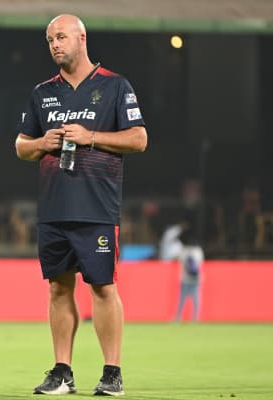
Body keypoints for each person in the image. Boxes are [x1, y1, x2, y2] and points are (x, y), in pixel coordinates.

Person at [14, 14, 148, 396]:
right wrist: (43, 143)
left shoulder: (115, 86)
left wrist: (90, 136)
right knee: (58, 290)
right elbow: (21, 145)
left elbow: (139, 139)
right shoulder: (42, 93)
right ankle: (62, 372)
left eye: (60, 37)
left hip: (97, 207)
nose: (54, 44)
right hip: (53, 208)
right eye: (49, 40)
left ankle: (112, 373)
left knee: (103, 288)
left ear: (81, 37)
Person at [175, 226, 204, 322]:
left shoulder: (183, 251)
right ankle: (195, 318)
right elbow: (200, 264)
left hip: (185, 278)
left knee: (182, 299)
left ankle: (178, 317)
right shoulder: (198, 251)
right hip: (195, 279)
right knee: (196, 299)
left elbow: (181, 262)